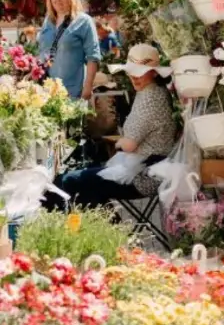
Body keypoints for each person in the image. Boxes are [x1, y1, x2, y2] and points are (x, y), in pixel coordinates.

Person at [44, 44, 177, 210]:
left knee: (71, 181)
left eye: (140, 73)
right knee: (76, 180)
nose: (134, 77)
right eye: (131, 72)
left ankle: (94, 228)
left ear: (154, 72)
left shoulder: (150, 97)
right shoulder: (153, 92)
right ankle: (101, 226)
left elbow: (129, 145)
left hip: (144, 176)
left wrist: (120, 142)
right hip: (147, 169)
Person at [37, 0, 101, 100]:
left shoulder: (83, 21)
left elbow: (93, 56)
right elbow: (43, 51)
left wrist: (88, 87)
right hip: (47, 90)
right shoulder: (48, 21)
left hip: (73, 91)